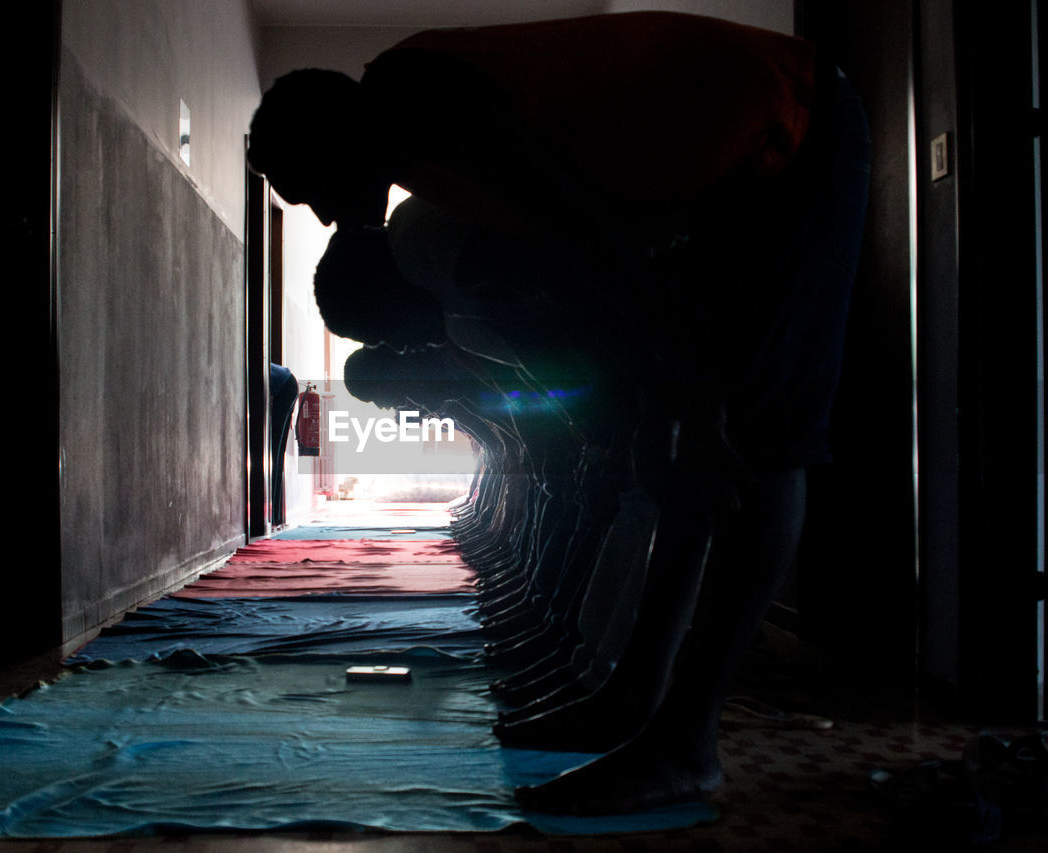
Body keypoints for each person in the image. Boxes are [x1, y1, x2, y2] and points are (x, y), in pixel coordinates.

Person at [248, 11, 870, 816]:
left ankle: (684, 742)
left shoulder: (420, 105)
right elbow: (580, 266)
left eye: (315, 191)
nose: (331, 215)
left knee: (761, 441)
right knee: (676, 444)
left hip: (793, 132)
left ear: (331, 136)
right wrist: (663, 387)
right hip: (725, 188)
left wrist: (681, 377)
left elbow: (582, 232)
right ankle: (636, 699)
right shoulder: (421, 155)